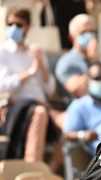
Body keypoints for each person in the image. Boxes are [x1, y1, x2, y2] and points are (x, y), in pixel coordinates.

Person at [0, 7, 55, 162]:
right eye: (10, 24)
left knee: (67, 122)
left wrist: (41, 66)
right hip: (17, 107)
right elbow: (2, 85)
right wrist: (29, 73)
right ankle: (32, 166)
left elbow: (49, 90)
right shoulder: (3, 52)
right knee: (40, 113)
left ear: (28, 27)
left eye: (18, 25)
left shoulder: (36, 52)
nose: (14, 29)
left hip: (42, 104)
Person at [55, 13, 101, 98]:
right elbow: (78, 90)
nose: (90, 36)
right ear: (72, 37)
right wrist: (94, 63)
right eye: (84, 32)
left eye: (92, 32)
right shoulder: (67, 62)